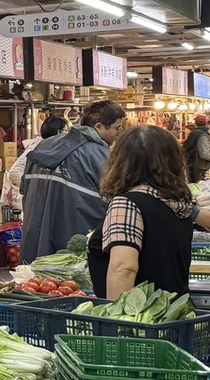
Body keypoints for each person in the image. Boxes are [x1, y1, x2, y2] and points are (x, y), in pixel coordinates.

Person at [89, 124, 210, 298]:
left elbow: (124, 268)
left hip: (141, 319)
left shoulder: (127, 204)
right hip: (172, 313)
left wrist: (116, 321)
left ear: (122, 162)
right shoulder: (178, 204)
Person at [19, 99, 129, 260]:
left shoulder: (42, 146)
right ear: (98, 126)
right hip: (74, 250)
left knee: (35, 283)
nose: (119, 133)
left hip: (34, 240)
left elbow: (25, 190)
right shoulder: (101, 156)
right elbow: (117, 203)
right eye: (117, 128)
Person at [2, 115, 67, 212]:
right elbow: (14, 173)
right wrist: (36, 188)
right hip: (36, 203)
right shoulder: (37, 147)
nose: (67, 135)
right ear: (58, 132)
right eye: (66, 131)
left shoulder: (52, 148)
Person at [184, 115, 210, 184]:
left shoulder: (195, 133)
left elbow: (186, 147)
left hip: (197, 164)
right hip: (205, 165)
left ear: (195, 123)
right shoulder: (206, 133)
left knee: (197, 185)